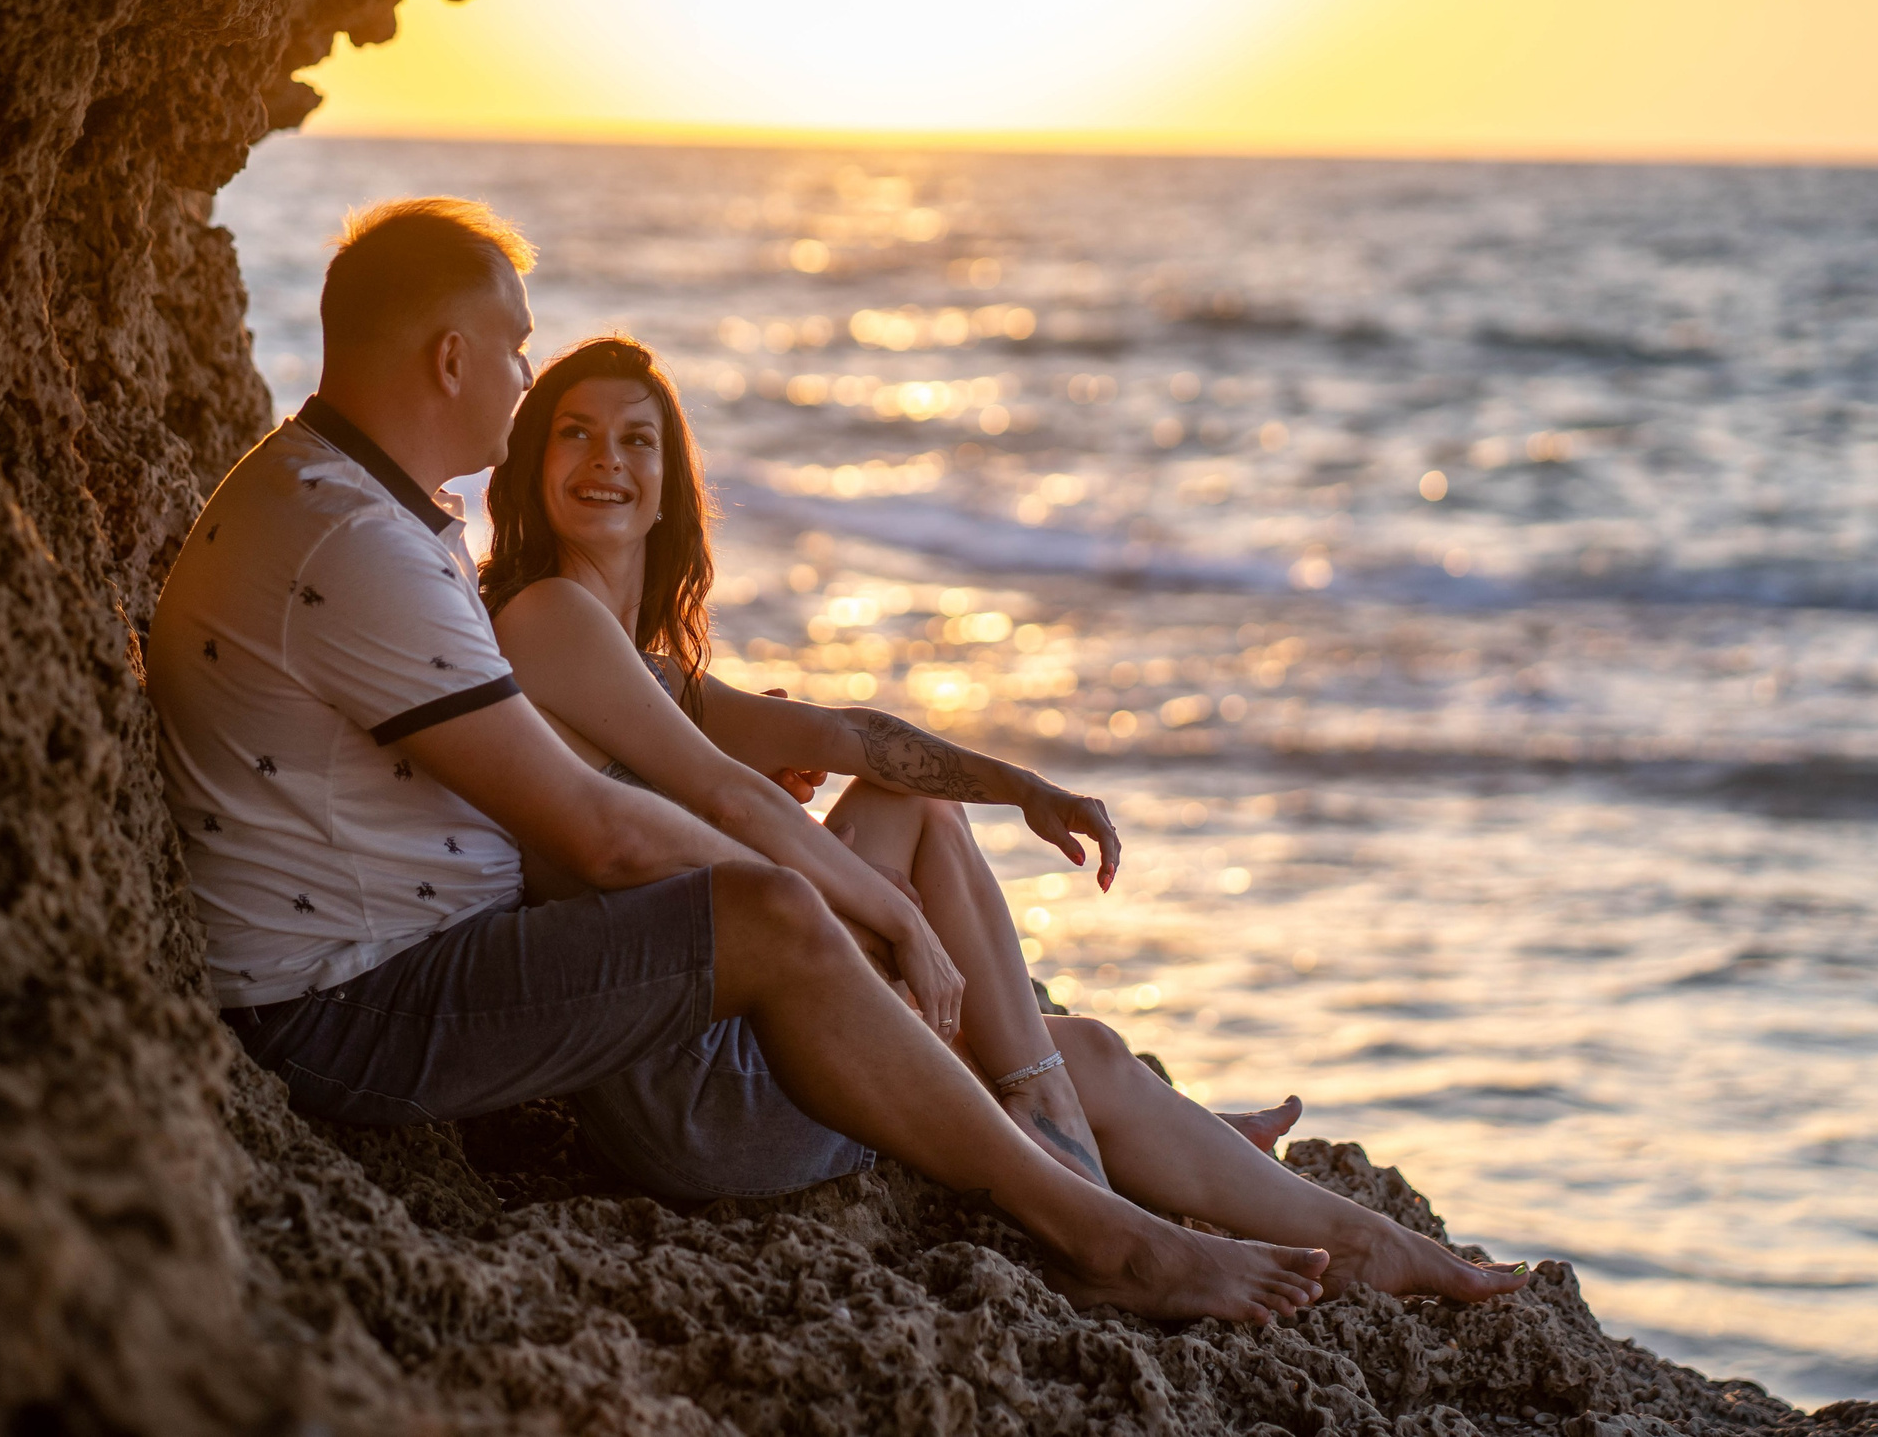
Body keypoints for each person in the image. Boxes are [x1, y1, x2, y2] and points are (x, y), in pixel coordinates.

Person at [146, 195, 1335, 1323]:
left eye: (631, 437)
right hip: (353, 1009)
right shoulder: (364, 543)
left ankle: (1185, 1181)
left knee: (1008, 1003)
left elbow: (825, 741)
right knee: (783, 914)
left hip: (391, 970)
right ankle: (1103, 1226)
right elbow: (603, 832)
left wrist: (1011, 792)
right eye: (517, 349)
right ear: (451, 360)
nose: (524, 373)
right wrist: (857, 916)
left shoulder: (371, 512)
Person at [478, 334, 1529, 1304]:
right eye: (575, 433)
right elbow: (729, 796)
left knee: (1090, 1051)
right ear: (532, 467)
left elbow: (850, 737)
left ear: (670, 483)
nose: (605, 460)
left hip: (751, 1042)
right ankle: (1091, 1184)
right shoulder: (546, 615)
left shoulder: (651, 669)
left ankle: (1359, 1240)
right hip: (696, 1094)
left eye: (637, 439)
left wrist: (1024, 785)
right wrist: (900, 920)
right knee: (994, 966)